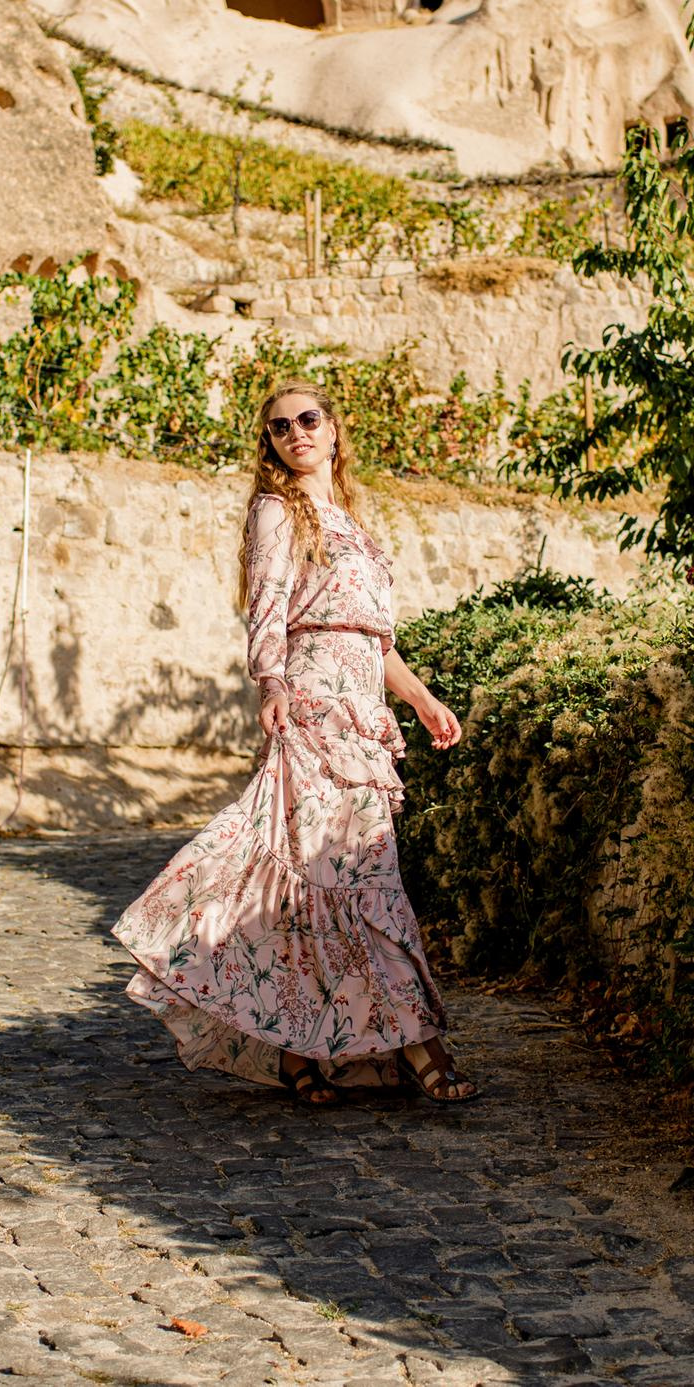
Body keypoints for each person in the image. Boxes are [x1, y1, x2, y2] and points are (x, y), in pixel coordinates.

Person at [112, 381, 480, 1105]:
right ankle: (418, 1049)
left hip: (364, 720)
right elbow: (268, 608)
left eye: (308, 419)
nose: (296, 432)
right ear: (271, 443)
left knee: (345, 879)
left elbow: (376, 642)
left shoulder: (354, 526)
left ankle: (297, 1049)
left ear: (335, 430)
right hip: (312, 712)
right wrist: (270, 684)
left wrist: (424, 699)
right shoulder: (278, 512)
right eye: (280, 427)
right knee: (325, 880)